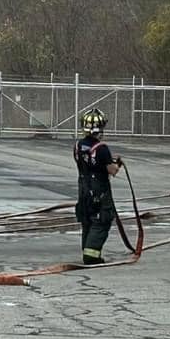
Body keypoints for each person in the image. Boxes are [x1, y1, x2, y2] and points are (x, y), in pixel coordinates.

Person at [73, 109, 122, 265]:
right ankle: (91, 256)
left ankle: (88, 251)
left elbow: (87, 162)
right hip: (99, 191)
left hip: (83, 190)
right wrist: (117, 163)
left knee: (87, 220)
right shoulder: (101, 148)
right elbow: (112, 170)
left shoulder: (78, 145)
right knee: (101, 221)